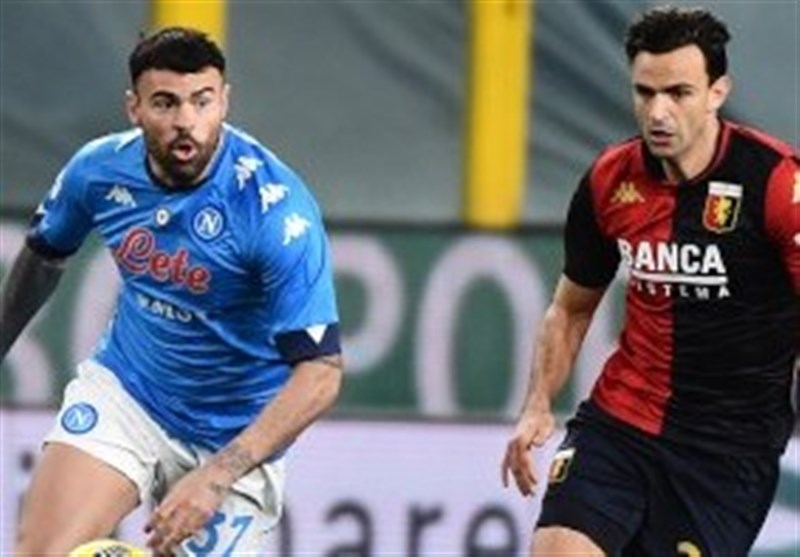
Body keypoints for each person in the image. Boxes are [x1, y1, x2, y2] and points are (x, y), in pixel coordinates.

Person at [0, 27, 343, 556]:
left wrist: (218, 474)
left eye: (202, 101)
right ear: (134, 108)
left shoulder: (275, 211)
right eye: (165, 103)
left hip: (236, 437)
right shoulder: (97, 170)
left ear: (224, 101)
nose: (186, 121)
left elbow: (320, 373)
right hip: (129, 397)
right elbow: (45, 255)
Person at [501, 6, 798, 557]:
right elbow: (571, 308)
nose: (658, 112)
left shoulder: (777, 183)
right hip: (620, 423)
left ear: (717, 92)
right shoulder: (609, 180)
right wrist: (537, 404)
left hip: (727, 453)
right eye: (645, 92)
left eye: (679, 93)